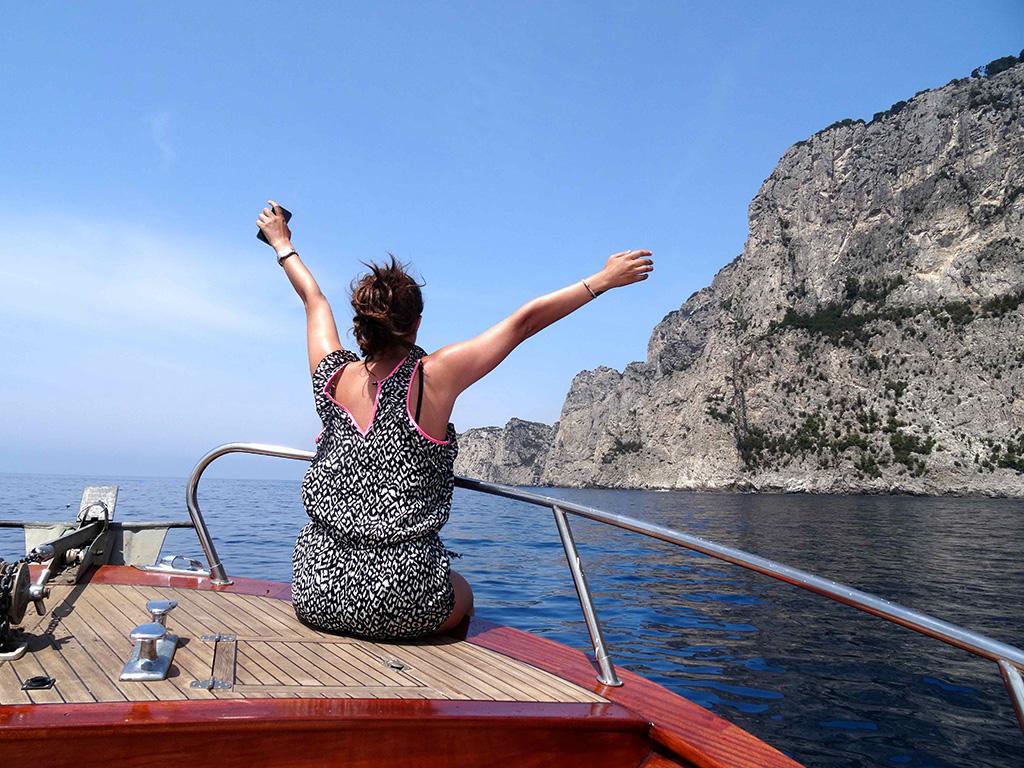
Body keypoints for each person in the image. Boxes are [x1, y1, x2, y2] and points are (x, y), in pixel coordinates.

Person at [256, 200, 653, 640]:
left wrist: (281, 242)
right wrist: (602, 280)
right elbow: (522, 324)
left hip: (316, 593)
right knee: (461, 592)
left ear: (361, 325)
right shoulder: (431, 377)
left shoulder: (331, 377)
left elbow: (313, 301)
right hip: (404, 602)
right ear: (417, 323)